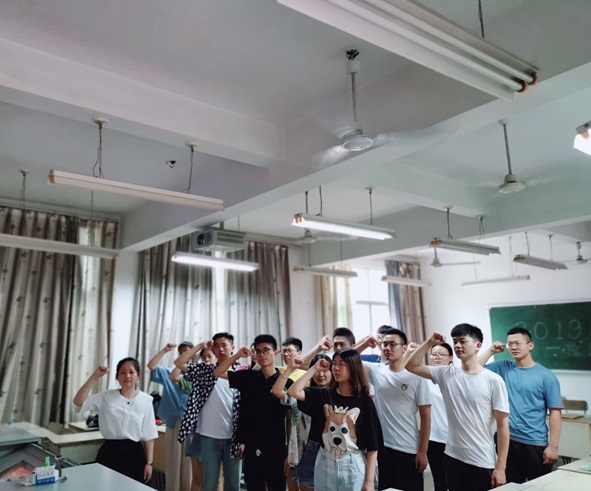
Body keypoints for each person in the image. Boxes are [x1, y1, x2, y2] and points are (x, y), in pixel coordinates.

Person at [405, 324, 510, 491]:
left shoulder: (493, 380)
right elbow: (411, 365)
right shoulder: (446, 374)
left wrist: (501, 467)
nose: (457, 346)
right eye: (455, 342)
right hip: (453, 457)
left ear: (478, 345)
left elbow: (503, 426)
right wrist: (429, 342)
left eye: (462, 341)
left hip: (482, 459)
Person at [287, 349, 382, 491]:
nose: (336, 368)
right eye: (334, 364)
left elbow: (373, 444)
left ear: (353, 367)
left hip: (353, 462)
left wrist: (369, 481)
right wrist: (314, 368)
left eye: (341, 364)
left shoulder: (364, 401)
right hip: (325, 461)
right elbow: (293, 391)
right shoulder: (324, 394)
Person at [478, 326, 563, 483]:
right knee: (510, 485)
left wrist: (553, 446)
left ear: (530, 345)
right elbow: (474, 368)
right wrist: (491, 350)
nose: (513, 347)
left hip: (535, 442)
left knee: (539, 485)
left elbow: (555, 412)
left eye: (517, 343)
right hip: (507, 441)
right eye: (509, 344)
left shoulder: (546, 376)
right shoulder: (503, 368)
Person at [214, 334, 291, 491]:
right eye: (258, 351)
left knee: (277, 486)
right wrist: (237, 355)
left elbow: (291, 420)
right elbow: (218, 372)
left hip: (276, 446)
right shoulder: (248, 377)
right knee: (254, 486)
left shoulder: (285, 382)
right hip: (251, 445)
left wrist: (290, 453)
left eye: (266, 350)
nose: (262, 355)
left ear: (276, 352)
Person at [356, 328, 431, 491]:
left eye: (392, 344)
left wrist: (423, 451)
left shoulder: (417, 376)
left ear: (404, 348)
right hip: (383, 447)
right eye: (384, 344)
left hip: (408, 447)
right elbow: (348, 358)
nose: (387, 348)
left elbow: (426, 416)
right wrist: (364, 344)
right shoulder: (377, 370)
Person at [73, 357, 158, 483]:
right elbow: (78, 402)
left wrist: (149, 463)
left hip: (135, 455)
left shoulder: (146, 400)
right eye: (123, 372)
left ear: (138, 376)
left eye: (131, 372)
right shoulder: (106, 397)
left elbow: (149, 435)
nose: (127, 376)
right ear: (117, 377)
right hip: (110, 452)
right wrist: (95, 376)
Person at [176, 333, 242, 491]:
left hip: (234, 438)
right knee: (209, 484)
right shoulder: (205, 370)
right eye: (217, 346)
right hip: (209, 438)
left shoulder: (241, 374)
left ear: (233, 348)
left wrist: (244, 439)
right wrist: (200, 346)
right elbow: (179, 363)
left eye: (224, 345)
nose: (220, 349)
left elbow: (246, 409)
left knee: (233, 485)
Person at [147, 342, 194, 491]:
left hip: (191, 423)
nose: (184, 355)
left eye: (187, 352)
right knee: (173, 460)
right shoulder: (169, 373)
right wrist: (164, 350)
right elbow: (151, 366)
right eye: (181, 353)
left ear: (193, 355)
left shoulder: (198, 374)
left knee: (189, 462)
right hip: (173, 422)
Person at [427, 342, 453, 491]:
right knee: (439, 480)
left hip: (454, 438)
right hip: (434, 438)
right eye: (434, 354)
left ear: (450, 358)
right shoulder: (425, 377)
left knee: (456, 480)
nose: (437, 357)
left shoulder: (457, 376)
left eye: (441, 354)